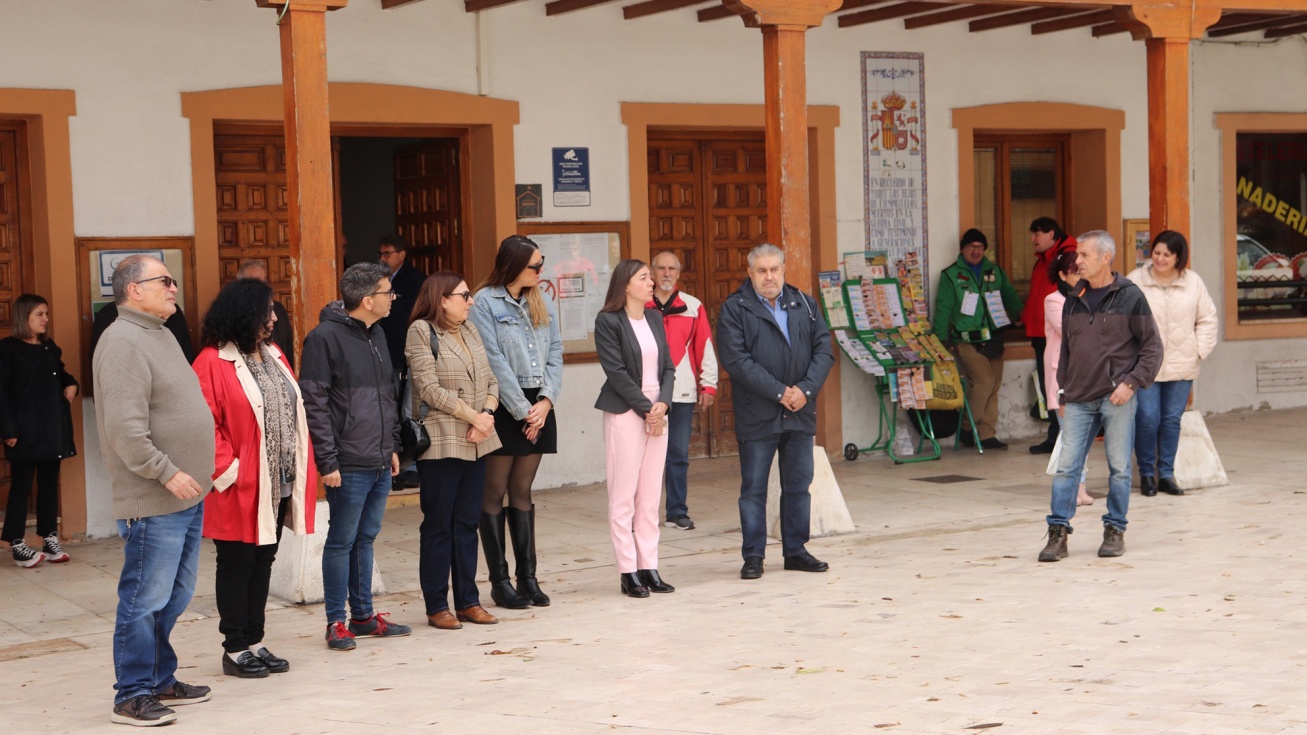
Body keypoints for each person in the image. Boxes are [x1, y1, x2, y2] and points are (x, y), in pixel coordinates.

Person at [94, 255, 216, 726]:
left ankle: (160, 678)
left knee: (174, 595)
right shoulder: (122, 341)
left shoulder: (160, 333)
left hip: (187, 495)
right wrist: (165, 471)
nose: (173, 287)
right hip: (156, 496)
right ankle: (132, 693)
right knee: (144, 597)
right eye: (163, 281)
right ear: (133, 290)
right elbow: (125, 429)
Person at [192, 278, 316, 679]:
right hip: (240, 484)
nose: (274, 319)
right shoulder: (211, 361)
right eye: (267, 312)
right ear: (245, 314)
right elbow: (202, 424)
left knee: (264, 560)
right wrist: (231, 471)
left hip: (277, 482)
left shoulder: (274, 353)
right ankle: (235, 648)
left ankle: (255, 640)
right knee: (236, 563)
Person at [300, 262, 412, 651]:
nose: (393, 298)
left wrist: (393, 446)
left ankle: (363, 616)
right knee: (342, 540)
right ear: (367, 300)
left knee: (366, 538)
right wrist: (327, 462)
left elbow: (387, 397)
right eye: (387, 292)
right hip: (346, 461)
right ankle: (336, 621)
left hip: (379, 457)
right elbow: (314, 403)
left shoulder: (377, 333)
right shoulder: (323, 339)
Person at [1038, 231, 1162, 563]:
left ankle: (1115, 528)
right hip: (1077, 397)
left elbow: (1152, 348)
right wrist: (1062, 391)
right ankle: (1058, 532)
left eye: (1084, 255)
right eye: (1077, 255)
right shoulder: (1073, 297)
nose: (1077, 260)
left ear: (1106, 258)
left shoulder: (1131, 296)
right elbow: (1067, 350)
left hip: (1116, 397)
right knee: (1066, 469)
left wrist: (1131, 383)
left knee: (1119, 468)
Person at [716, 243, 834, 580]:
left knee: (798, 485)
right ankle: (753, 555)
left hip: (800, 410)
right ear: (750, 273)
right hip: (759, 413)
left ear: (784, 269)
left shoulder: (805, 305)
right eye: (762, 271)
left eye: (775, 269)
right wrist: (781, 392)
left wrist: (805, 390)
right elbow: (738, 362)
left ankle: (795, 550)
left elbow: (823, 351)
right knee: (753, 489)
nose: (769, 276)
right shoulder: (735, 308)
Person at [469, 235, 563, 609]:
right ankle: (500, 581)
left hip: (538, 404)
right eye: (534, 266)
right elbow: (493, 359)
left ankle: (528, 578)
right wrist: (523, 409)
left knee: (522, 492)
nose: (541, 271)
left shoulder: (543, 300)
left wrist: (546, 401)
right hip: (506, 406)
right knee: (493, 493)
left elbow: (556, 351)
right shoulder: (485, 302)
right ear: (513, 265)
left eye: (542, 264)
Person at [406, 272, 503, 630]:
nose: (471, 300)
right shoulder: (421, 331)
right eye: (464, 295)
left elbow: (491, 378)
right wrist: (473, 416)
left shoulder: (471, 330)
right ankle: (436, 605)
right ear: (442, 299)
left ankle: (468, 601)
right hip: (443, 439)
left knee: (466, 522)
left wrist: (488, 415)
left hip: (478, 438)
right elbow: (428, 388)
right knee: (438, 525)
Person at [595, 260, 677, 598]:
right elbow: (616, 373)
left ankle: (649, 566)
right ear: (625, 285)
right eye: (644, 277)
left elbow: (669, 368)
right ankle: (628, 571)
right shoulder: (608, 321)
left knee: (649, 496)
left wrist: (663, 406)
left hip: (657, 413)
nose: (652, 281)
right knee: (623, 496)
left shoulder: (655, 318)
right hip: (626, 413)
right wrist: (648, 411)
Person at [1128, 230, 1218, 497]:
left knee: (1170, 420)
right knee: (1146, 418)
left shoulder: (1193, 282)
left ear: (1179, 257)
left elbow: (1208, 319)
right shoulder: (1135, 281)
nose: (1160, 258)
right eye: (1156, 253)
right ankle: (1146, 474)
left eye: (1167, 254)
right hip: (1145, 366)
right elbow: (1121, 321)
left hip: (1182, 364)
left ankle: (1166, 474)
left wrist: (1198, 351)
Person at [0, 294, 78, 567]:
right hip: (22, 431)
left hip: (51, 429)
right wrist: (8, 429)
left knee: (48, 485)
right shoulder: (7, 349)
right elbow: (2, 393)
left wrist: (71, 384)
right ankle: (16, 542)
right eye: (39, 314)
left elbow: (61, 373)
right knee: (21, 488)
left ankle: (49, 536)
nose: (45, 319)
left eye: (46, 313)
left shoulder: (48, 347)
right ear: (25, 318)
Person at [932, 228, 1023, 450]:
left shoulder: (995, 272)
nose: (976, 251)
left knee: (994, 386)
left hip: (994, 337)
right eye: (971, 246)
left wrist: (1023, 317)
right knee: (983, 382)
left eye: (980, 247)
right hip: (966, 340)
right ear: (963, 249)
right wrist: (940, 340)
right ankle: (967, 427)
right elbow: (943, 308)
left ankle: (986, 434)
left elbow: (1009, 296)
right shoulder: (951, 275)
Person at [647, 251, 718, 531]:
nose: (666, 273)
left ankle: (676, 511)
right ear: (652, 273)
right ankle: (644, 513)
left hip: (682, 392)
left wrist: (708, 384)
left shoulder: (692, 306)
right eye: (661, 268)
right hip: (647, 392)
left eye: (671, 269)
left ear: (678, 274)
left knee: (677, 453)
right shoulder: (640, 304)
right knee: (645, 455)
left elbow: (705, 348)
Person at [1044, 251, 1095, 506]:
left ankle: (1079, 486)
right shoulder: (1053, 301)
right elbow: (1071, 331)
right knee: (1070, 435)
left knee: (1083, 437)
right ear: (1063, 275)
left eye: (1082, 269)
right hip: (1062, 377)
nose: (1081, 275)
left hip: (1087, 375)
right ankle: (1071, 487)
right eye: (1075, 271)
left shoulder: (1092, 296)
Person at [378, 235, 429, 491]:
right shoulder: (379, 281)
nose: (383, 259)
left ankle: (409, 465)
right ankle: (391, 463)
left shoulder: (416, 281)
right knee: (388, 410)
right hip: (384, 354)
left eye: (388, 253)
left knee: (408, 413)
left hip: (407, 356)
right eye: (382, 254)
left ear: (402, 254)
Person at [1025, 217, 1078, 454]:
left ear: (1052, 234)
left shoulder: (1067, 259)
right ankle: (1054, 435)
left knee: (1060, 389)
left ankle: (1058, 436)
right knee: (1050, 388)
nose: (1033, 239)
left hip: (1058, 334)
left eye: (1037, 234)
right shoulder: (1042, 261)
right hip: (1040, 331)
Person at [91, 300, 196, 365]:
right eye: (163, 282)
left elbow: (186, 355)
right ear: (135, 289)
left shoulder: (172, 311)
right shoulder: (109, 315)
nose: (172, 288)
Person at [235, 259, 295, 369]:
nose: (264, 286)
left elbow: (288, 348)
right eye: (257, 282)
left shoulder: (279, 310)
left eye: (265, 280)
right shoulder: (236, 317)